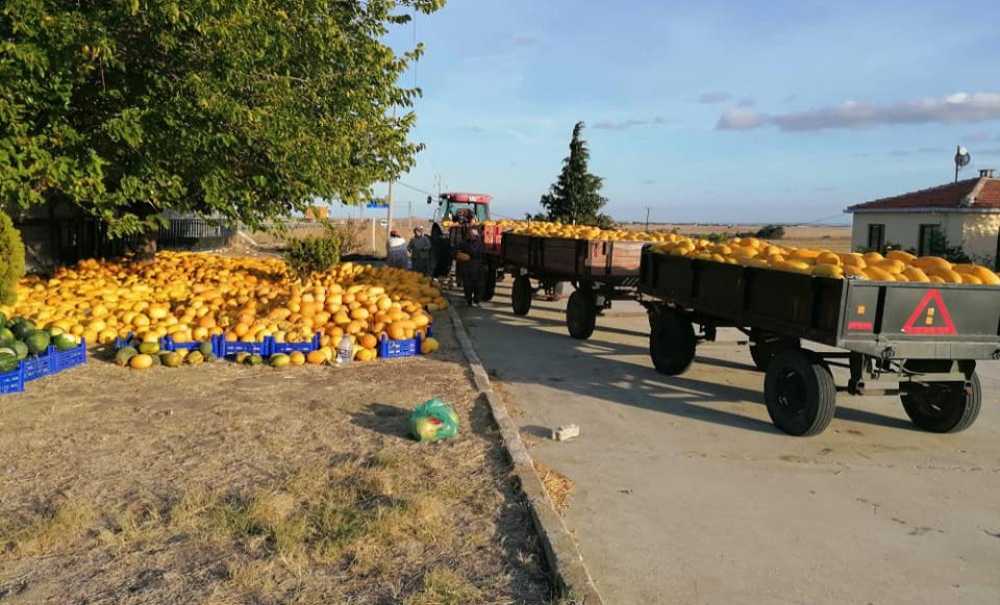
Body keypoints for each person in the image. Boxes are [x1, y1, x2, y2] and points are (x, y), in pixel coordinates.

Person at [458, 227, 486, 306]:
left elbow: (484, 255)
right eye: (470, 234)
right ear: (468, 235)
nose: (472, 236)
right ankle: (469, 300)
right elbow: (456, 253)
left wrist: (484, 265)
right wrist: (460, 255)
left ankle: (476, 300)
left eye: (474, 235)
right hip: (467, 267)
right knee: (468, 285)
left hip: (478, 267)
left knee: (479, 285)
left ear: (477, 235)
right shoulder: (463, 243)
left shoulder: (481, 244)